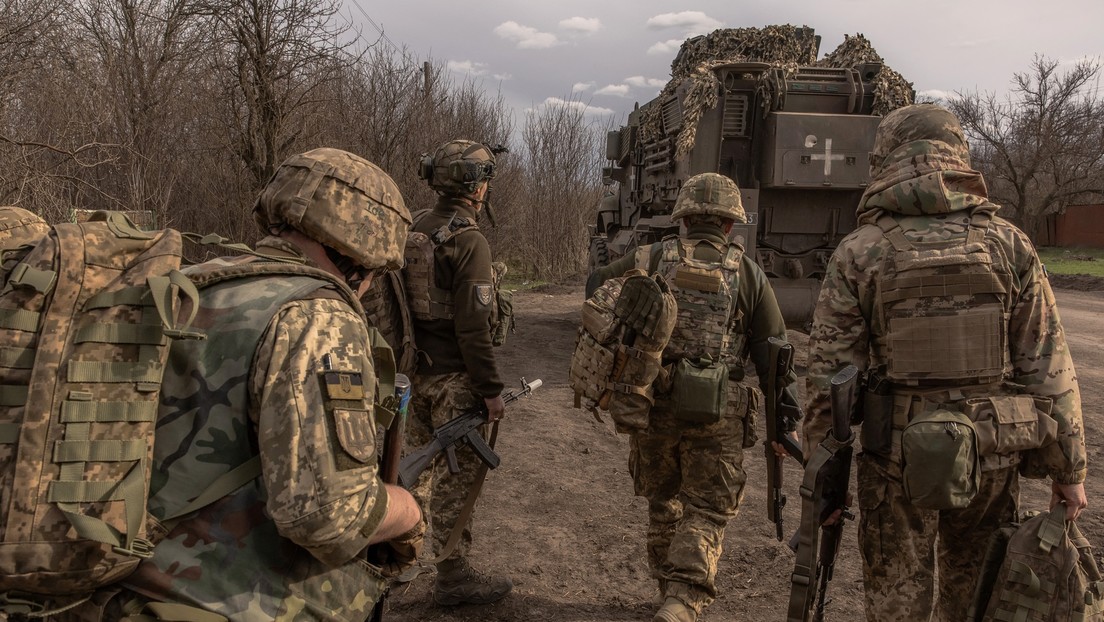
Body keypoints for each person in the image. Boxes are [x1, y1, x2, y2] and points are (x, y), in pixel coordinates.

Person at [69, 148, 424, 621]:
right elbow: (328, 517)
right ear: (363, 253)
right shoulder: (318, 317)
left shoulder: (192, 282)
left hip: (115, 590)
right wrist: (408, 512)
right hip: (219, 601)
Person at [803, 104, 1088, 621]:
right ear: (959, 155)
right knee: (976, 597)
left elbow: (828, 381)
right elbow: (1048, 365)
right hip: (991, 453)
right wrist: (1069, 470)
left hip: (896, 464)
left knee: (897, 601)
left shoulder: (860, 251)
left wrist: (824, 486)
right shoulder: (1009, 243)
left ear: (885, 159)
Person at [587, 172, 798, 622]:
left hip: (652, 402)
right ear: (729, 225)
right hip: (717, 412)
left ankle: (668, 590)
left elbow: (595, 291)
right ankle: (682, 599)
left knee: (664, 499)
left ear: (682, 220)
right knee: (707, 507)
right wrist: (785, 420)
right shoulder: (747, 272)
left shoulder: (646, 256)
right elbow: (773, 355)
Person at [403, 138, 511, 606]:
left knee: (414, 476)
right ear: (476, 187)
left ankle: (396, 563)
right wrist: (490, 391)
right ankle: (452, 576)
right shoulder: (468, 241)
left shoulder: (412, 230)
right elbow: (474, 327)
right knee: (456, 484)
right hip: (453, 385)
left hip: (412, 379)